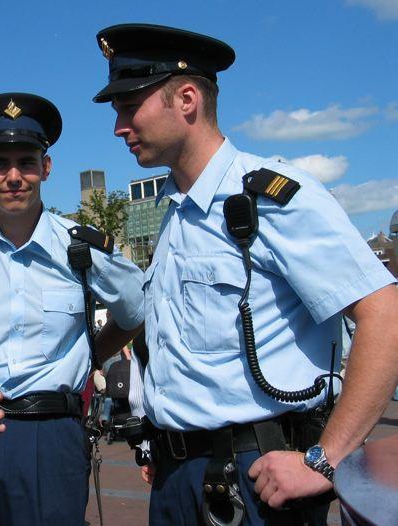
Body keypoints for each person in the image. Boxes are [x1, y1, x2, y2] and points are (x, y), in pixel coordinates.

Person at [93, 23, 398, 525]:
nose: (118, 126)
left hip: (256, 480)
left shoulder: (267, 198)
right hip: (177, 476)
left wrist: (325, 460)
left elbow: (382, 313)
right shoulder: (176, 216)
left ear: (187, 99)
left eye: (130, 106)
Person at [0, 92, 145, 526]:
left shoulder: (80, 245)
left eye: (27, 161)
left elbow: (136, 309)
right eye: (0, 163)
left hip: (49, 433)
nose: (14, 176)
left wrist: (95, 350)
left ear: (46, 167)